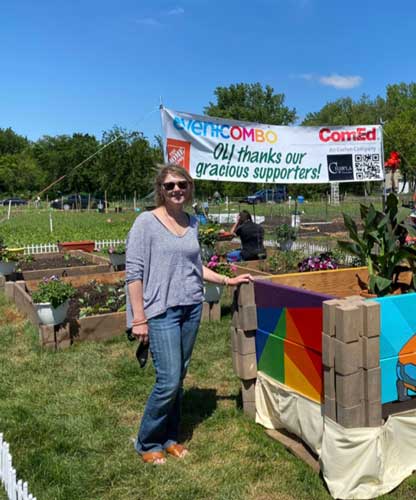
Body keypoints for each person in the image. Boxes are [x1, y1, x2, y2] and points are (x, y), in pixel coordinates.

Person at [126, 164, 251, 465]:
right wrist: (139, 319)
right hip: (161, 311)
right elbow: (133, 274)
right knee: (168, 380)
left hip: (191, 307)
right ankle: (147, 441)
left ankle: (169, 437)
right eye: (170, 186)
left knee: (179, 377)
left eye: (182, 184)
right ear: (161, 190)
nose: (176, 190)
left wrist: (226, 280)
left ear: (189, 187)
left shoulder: (192, 222)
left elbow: (195, 268)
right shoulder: (146, 222)